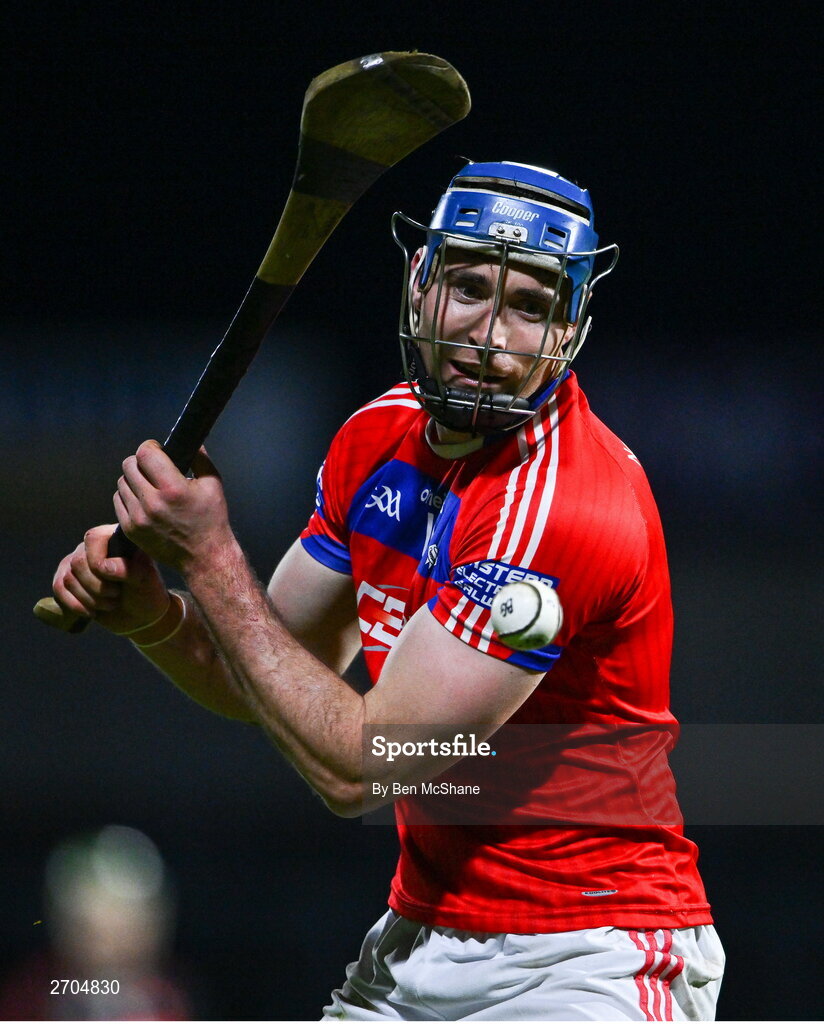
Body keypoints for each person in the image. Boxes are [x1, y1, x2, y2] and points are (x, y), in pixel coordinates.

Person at [50, 161, 725, 1020]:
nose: (493, 337)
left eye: (531, 307)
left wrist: (211, 557)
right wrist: (156, 617)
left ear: (570, 329)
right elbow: (262, 675)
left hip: (587, 956)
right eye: (472, 287)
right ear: (419, 285)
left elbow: (363, 768)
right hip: (421, 934)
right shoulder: (376, 437)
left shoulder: (562, 506)